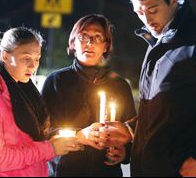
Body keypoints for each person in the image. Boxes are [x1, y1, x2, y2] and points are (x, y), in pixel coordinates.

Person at [101, 0, 196, 177]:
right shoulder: (157, 42)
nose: (147, 20)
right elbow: (167, 110)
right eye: (139, 12)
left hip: (184, 169)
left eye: (153, 10)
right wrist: (129, 129)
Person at [0, 27, 83, 177]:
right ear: (5, 56)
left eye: (37, 59)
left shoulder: (26, 91)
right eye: (26, 58)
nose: (33, 66)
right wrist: (50, 149)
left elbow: (31, 140)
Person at [41, 14, 136, 177]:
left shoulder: (120, 86)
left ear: (106, 46)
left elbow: (131, 132)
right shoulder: (56, 82)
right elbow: (43, 131)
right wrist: (79, 135)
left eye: (97, 37)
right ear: (73, 43)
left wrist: (123, 153)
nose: (90, 43)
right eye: (83, 36)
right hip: (64, 171)